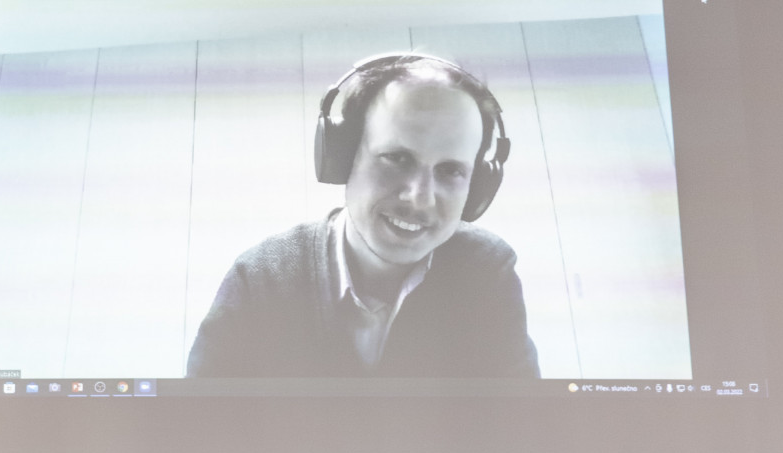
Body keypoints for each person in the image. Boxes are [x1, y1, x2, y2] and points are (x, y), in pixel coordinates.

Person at [185, 54, 539, 378]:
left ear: (477, 187)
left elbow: (522, 425)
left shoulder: (486, 272)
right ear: (342, 157)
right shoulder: (261, 279)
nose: (419, 197)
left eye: (450, 171)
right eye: (398, 158)